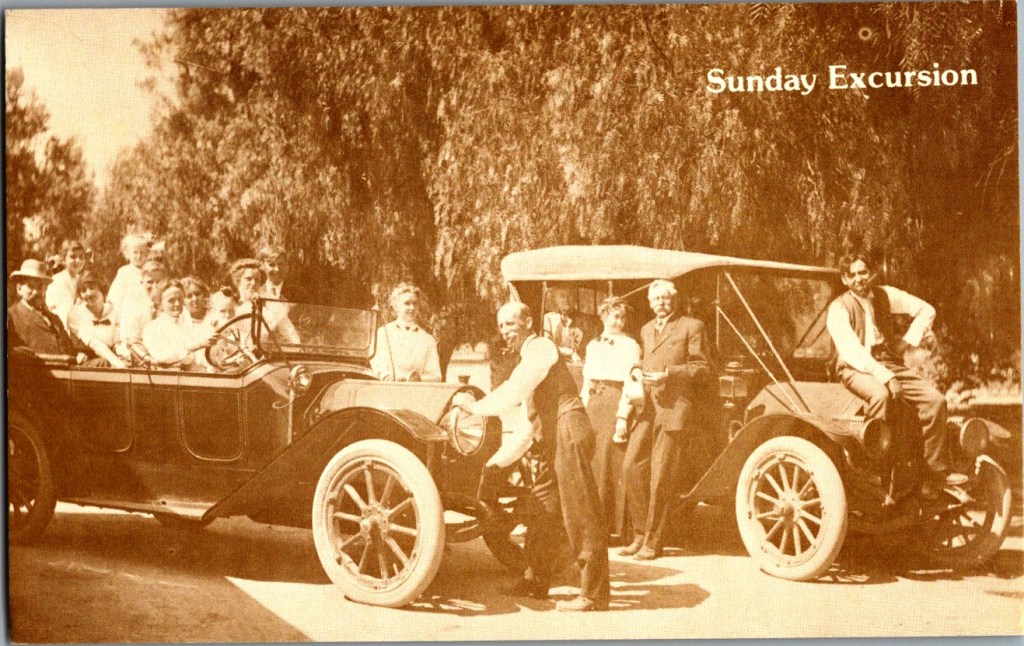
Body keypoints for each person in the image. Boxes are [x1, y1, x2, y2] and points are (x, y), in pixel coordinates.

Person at [455, 302, 610, 612]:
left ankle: (594, 595)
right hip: (555, 437)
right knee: (540, 508)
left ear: (527, 322)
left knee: (580, 512)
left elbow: (513, 391)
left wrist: (473, 407)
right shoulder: (528, 360)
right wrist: (496, 462)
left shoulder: (540, 347)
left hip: (569, 430)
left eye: (510, 324)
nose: (505, 331)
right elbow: (528, 425)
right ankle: (535, 581)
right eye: (501, 325)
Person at [825, 252, 964, 497]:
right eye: (852, 275)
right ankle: (872, 469)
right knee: (881, 396)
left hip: (889, 362)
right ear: (845, 279)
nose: (859, 279)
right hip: (854, 367)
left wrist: (907, 341)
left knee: (935, 402)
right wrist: (887, 378)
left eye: (863, 272)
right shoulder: (838, 308)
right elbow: (852, 351)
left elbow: (927, 310)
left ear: (871, 273)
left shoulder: (884, 295)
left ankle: (934, 473)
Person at [620, 279, 712, 561]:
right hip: (647, 407)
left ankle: (653, 541)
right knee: (631, 467)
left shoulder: (691, 326)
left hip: (674, 410)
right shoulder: (646, 329)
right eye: (656, 299)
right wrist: (636, 369)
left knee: (661, 477)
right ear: (650, 303)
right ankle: (639, 534)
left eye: (666, 298)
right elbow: (645, 359)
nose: (661, 303)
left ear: (674, 300)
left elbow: (702, 368)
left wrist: (668, 374)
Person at [580, 297, 641, 544]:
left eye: (623, 317)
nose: (619, 322)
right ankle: (596, 529)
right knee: (595, 463)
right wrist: (583, 408)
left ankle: (619, 530)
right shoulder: (592, 345)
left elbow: (631, 382)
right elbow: (586, 380)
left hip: (615, 403)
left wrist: (622, 415)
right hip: (594, 405)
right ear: (604, 316)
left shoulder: (630, 345)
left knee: (612, 463)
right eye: (615, 316)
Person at [7, 258, 91, 365]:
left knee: (103, 363)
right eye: (31, 286)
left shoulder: (54, 319)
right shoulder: (10, 316)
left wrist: (80, 354)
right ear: (19, 289)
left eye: (41, 286)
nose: (37, 292)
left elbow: (72, 348)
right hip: (36, 372)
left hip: (68, 371)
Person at [370, 283, 442, 382]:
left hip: (418, 390)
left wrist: (418, 379)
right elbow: (377, 366)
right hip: (388, 388)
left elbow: (435, 376)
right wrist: (390, 377)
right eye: (407, 303)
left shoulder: (427, 340)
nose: (412, 308)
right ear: (396, 306)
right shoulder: (383, 334)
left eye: (415, 303)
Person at [142, 280, 214, 369]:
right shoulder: (153, 328)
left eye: (180, 299)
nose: (177, 304)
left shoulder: (188, 324)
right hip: (170, 375)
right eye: (171, 300)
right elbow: (162, 356)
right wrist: (197, 346)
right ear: (160, 303)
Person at [232, 258, 300, 345]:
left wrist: (298, 348)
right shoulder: (229, 303)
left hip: (266, 350)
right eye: (248, 279)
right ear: (238, 280)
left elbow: (288, 331)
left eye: (257, 280)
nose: (253, 283)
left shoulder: (270, 302)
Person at [67, 271, 127, 368]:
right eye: (83, 290)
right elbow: (94, 343)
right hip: (86, 363)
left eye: (91, 288)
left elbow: (118, 342)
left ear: (101, 288)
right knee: (104, 363)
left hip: (112, 359)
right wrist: (118, 364)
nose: (88, 293)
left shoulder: (114, 312)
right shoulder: (76, 313)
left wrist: (124, 354)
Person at [117, 260, 169, 352]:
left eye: (158, 281)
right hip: (138, 352)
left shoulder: (170, 304)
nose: (154, 286)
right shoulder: (132, 306)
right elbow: (130, 341)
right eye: (150, 282)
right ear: (142, 282)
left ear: (165, 282)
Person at [106, 234, 150, 318]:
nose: (139, 256)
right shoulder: (124, 272)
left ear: (147, 254)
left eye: (142, 252)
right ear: (127, 254)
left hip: (147, 312)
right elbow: (114, 296)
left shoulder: (150, 271)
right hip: (129, 313)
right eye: (135, 252)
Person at [45, 239, 88, 326]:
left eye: (81, 257)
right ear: (63, 260)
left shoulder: (82, 280)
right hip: (63, 326)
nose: (78, 260)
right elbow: (54, 311)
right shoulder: (57, 281)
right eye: (73, 257)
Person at [543, 290, 584, 362]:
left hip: (576, 361)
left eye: (569, 296)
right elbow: (548, 344)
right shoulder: (548, 318)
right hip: (554, 360)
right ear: (556, 300)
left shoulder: (581, 319)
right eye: (562, 296)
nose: (566, 299)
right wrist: (570, 352)